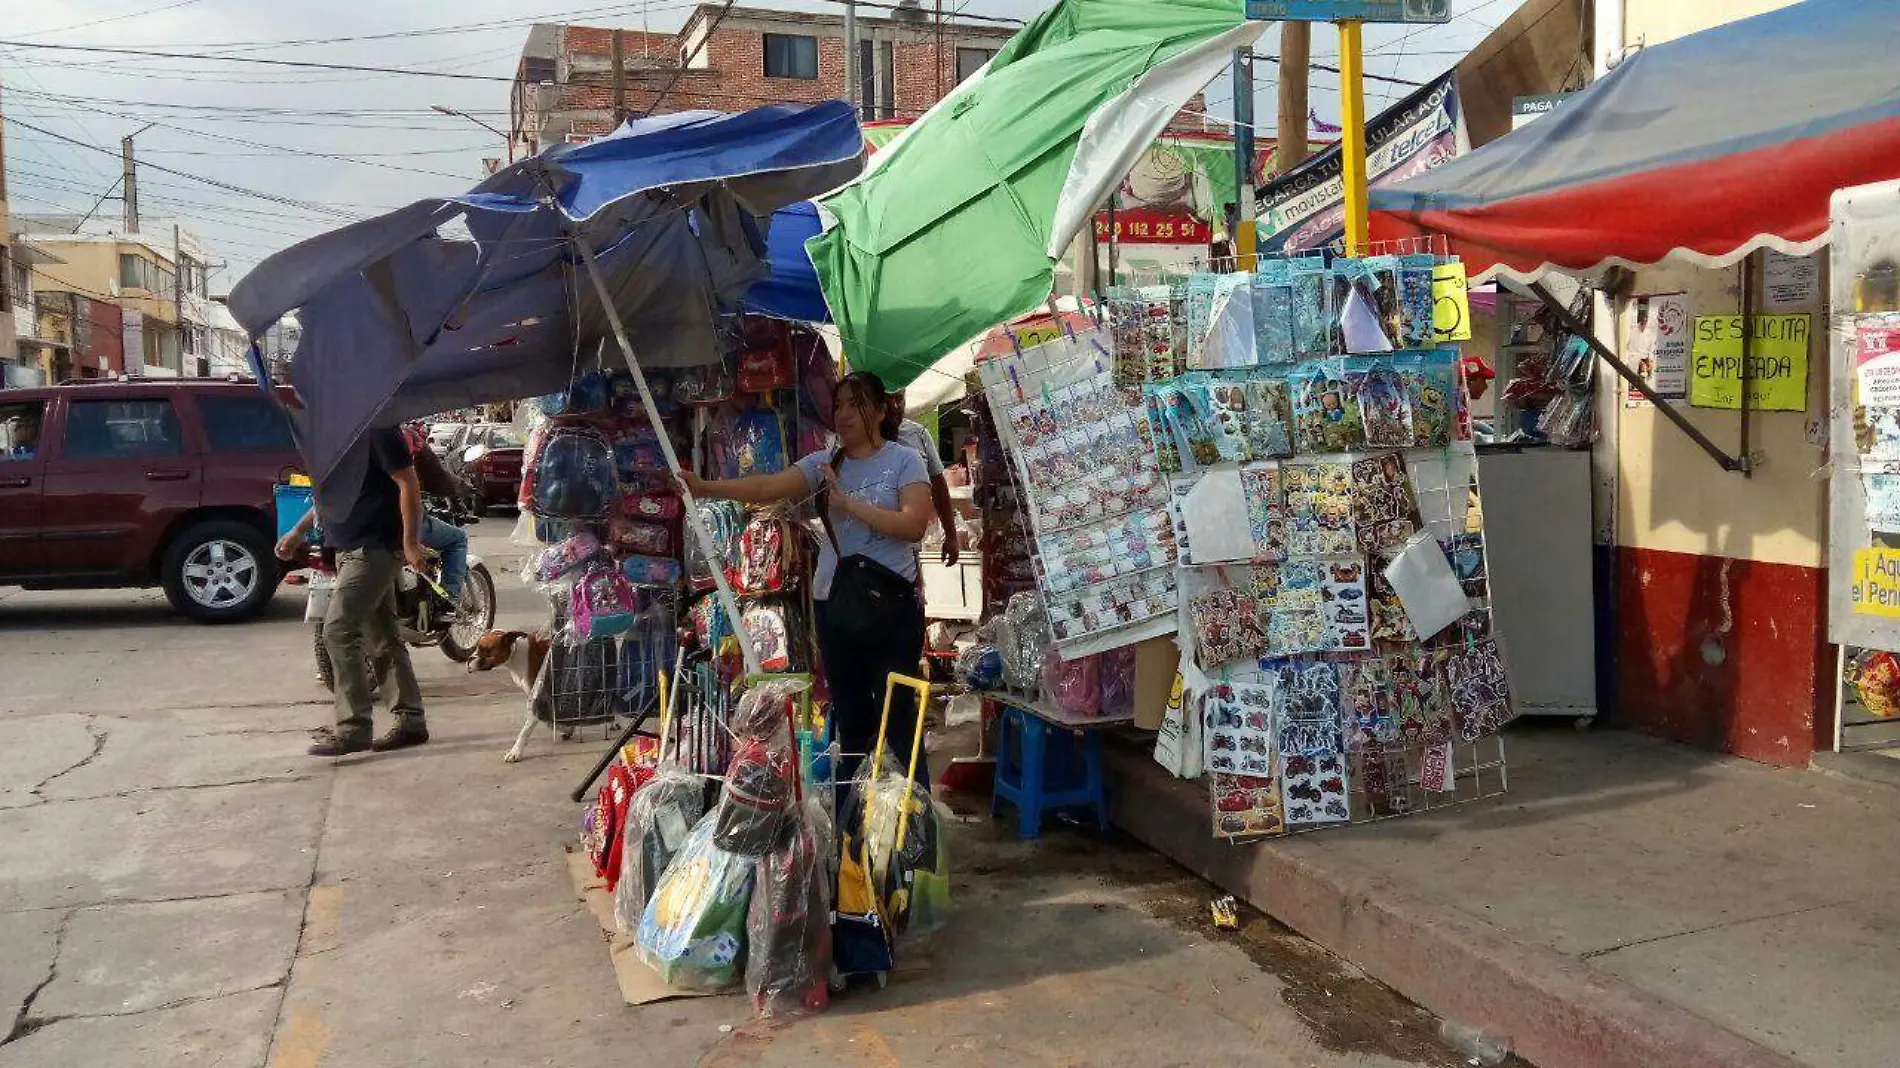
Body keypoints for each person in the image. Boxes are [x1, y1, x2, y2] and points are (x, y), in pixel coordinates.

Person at [682, 371, 934, 786]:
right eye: (838, 405)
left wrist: (849, 505)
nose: (844, 414)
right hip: (836, 608)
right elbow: (768, 485)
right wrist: (706, 488)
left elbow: (914, 525)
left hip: (892, 612)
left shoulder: (905, 460)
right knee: (851, 721)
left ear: (880, 409)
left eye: (856, 404)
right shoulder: (824, 463)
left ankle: (913, 827)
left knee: (900, 719)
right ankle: (851, 821)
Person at [307, 427, 431, 757]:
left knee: (338, 630)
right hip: (350, 548)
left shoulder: (377, 427)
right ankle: (410, 721)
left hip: (373, 548)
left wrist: (410, 542)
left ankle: (353, 727)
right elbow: (328, 497)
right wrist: (296, 533)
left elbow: (409, 483)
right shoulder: (336, 436)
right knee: (382, 637)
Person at [887, 390, 960, 567]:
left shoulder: (917, 434)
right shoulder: (862, 442)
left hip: (910, 547)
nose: (896, 406)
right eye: (889, 400)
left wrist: (951, 535)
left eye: (900, 399)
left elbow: (939, 485)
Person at [401, 423, 469, 601]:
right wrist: (459, 489)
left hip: (345, 528)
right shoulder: (404, 438)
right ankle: (448, 600)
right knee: (458, 539)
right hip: (397, 523)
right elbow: (435, 478)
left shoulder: (339, 441)